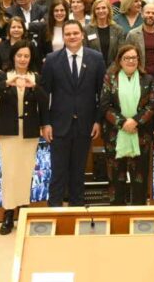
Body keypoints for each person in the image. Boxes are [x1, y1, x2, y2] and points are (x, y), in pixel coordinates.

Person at [0, 41, 48, 234]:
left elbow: (46, 101)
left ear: (31, 58)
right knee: (10, 172)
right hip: (9, 130)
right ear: (13, 56)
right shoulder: (4, 75)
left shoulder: (36, 76)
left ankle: (24, 211)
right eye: (19, 55)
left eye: (26, 56)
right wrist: (6, 84)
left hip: (29, 131)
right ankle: (8, 214)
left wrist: (35, 87)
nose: (22, 59)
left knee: (25, 171)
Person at [41, 20, 106, 206]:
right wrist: (46, 123)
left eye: (75, 33)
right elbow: (45, 95)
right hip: (58, 126)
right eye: (68, 34)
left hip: (85, 125)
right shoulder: (52, 60)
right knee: (58, 173)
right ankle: (54, 213)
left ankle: (76, 212)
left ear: (82, 35)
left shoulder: (96, 58)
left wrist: (97, 121)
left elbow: (102, 94)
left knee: (79, 173)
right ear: (63, 37)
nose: (72, 37)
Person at [99, 44, 154, 207]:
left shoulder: (148, 79)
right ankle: (117, 215)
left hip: (141, 135)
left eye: (134, 57)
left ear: (139, 60)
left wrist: (135, 121)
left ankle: (139, 215)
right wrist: (123, 122)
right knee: (116, 178)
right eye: (127, 58)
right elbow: (105, 105)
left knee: (140, 179)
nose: (131, 61)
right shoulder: (110, 78)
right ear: (120, 60)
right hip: (115, 135)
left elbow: (152, 105)